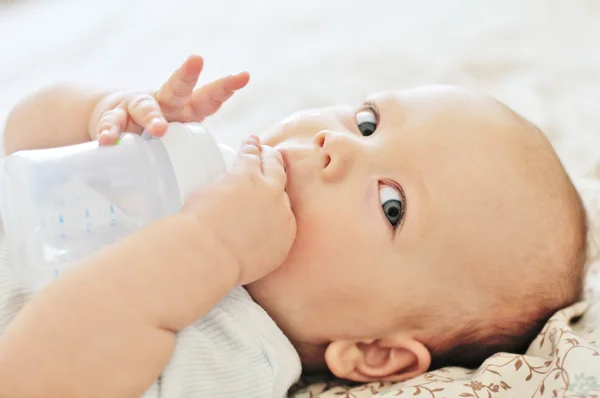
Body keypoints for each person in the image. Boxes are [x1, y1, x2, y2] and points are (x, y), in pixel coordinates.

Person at [0, 55, 587, 397]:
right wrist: (99, 112)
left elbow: (29, 379)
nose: (337, 146)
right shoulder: (209, 168)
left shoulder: (240, 360)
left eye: (392, 206)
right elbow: (19, 147)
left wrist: (209, 247)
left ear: (374, 354)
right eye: (367, 121)